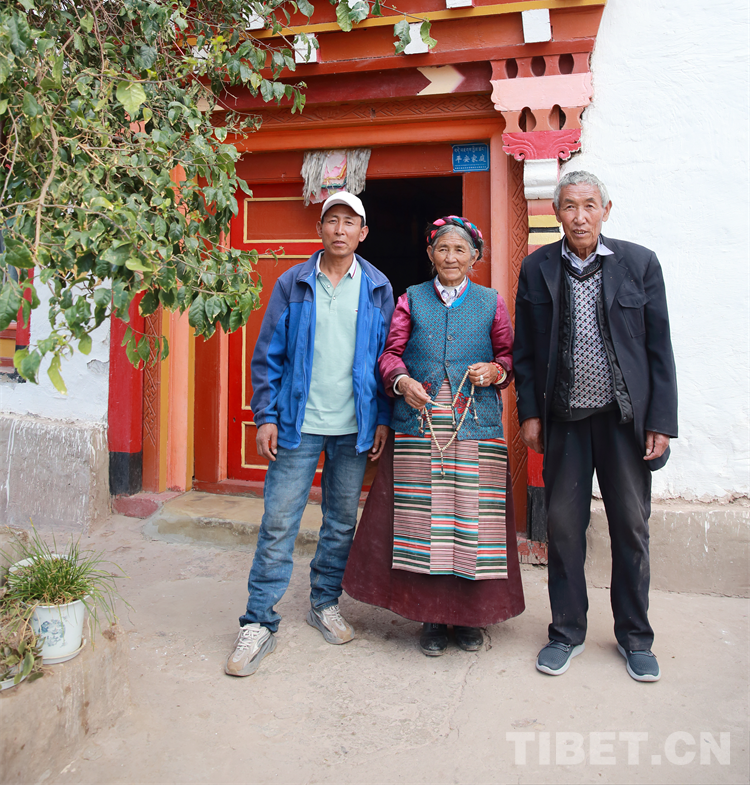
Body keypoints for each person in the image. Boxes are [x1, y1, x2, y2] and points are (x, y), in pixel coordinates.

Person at [513, 171, 678, 683]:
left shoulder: (639, 263)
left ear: (606, 210)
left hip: (623, 421)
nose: (580, 216)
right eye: (569, 206)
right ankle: (566, 632)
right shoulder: (537, 267)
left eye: (589, 205)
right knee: (563, 528)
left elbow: (659, 348)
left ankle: (635, 637)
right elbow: (525, 349)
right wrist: (530, 413)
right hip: (565, 420)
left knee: (631, 526)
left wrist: (661, 422)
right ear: (556, 213)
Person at [225, 191, 395, 677]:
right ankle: (259, 620)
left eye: (350, 222)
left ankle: (324, 602)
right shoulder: (293, 282)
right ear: (320, 230)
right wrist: (266, 415)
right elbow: (268, 354)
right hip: (297, 424)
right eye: (332, 221)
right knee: (279, 521)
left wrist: (382, 417)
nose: (340, 230)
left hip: (353, 427)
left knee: (340, 522)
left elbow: (387, 357)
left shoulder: (378, 287)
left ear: (363, 233)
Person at [343, 216, 524, 656]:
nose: (451, 257)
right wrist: (402, 381)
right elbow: (390, 354)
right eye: (443, 249)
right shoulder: (411, 299)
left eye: (460, 250)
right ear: (430, 254)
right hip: (420, 423)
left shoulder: (491, 302)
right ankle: (430, 617)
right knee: (423, 521)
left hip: (474, 424)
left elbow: (508, 358)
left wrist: (494, 371)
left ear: (474, 257)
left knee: (471, 521)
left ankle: (469, 619)